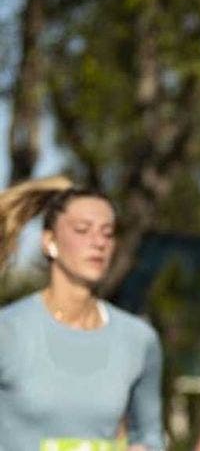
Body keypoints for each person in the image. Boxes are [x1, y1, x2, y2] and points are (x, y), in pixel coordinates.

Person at [0, 176, 164, 451]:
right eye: (82, 229)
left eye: (108, 232)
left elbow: (149, 435)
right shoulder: (8, 331)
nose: (98, 242)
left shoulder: (138, 339)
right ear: (49, 241)